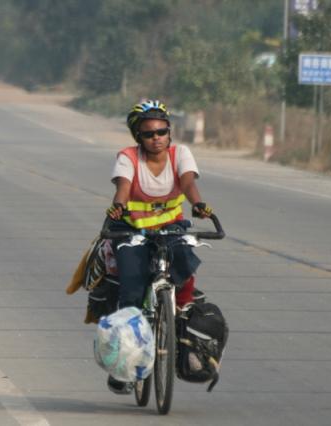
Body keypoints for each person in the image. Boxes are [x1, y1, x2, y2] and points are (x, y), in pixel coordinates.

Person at [105, 99, 213, 393]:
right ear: (137, 137)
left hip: (170, 227)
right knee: (131, 290)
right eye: (149, 134)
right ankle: (126, 365)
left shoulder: (181, 154)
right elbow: (123, 188)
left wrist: (198, 203)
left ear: (169, 132)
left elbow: (188, 183)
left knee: (185, 267)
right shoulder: (128, 157)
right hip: (131, 229)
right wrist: (118, 208)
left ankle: (182, 329)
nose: (156, 139)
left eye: (162, 132)